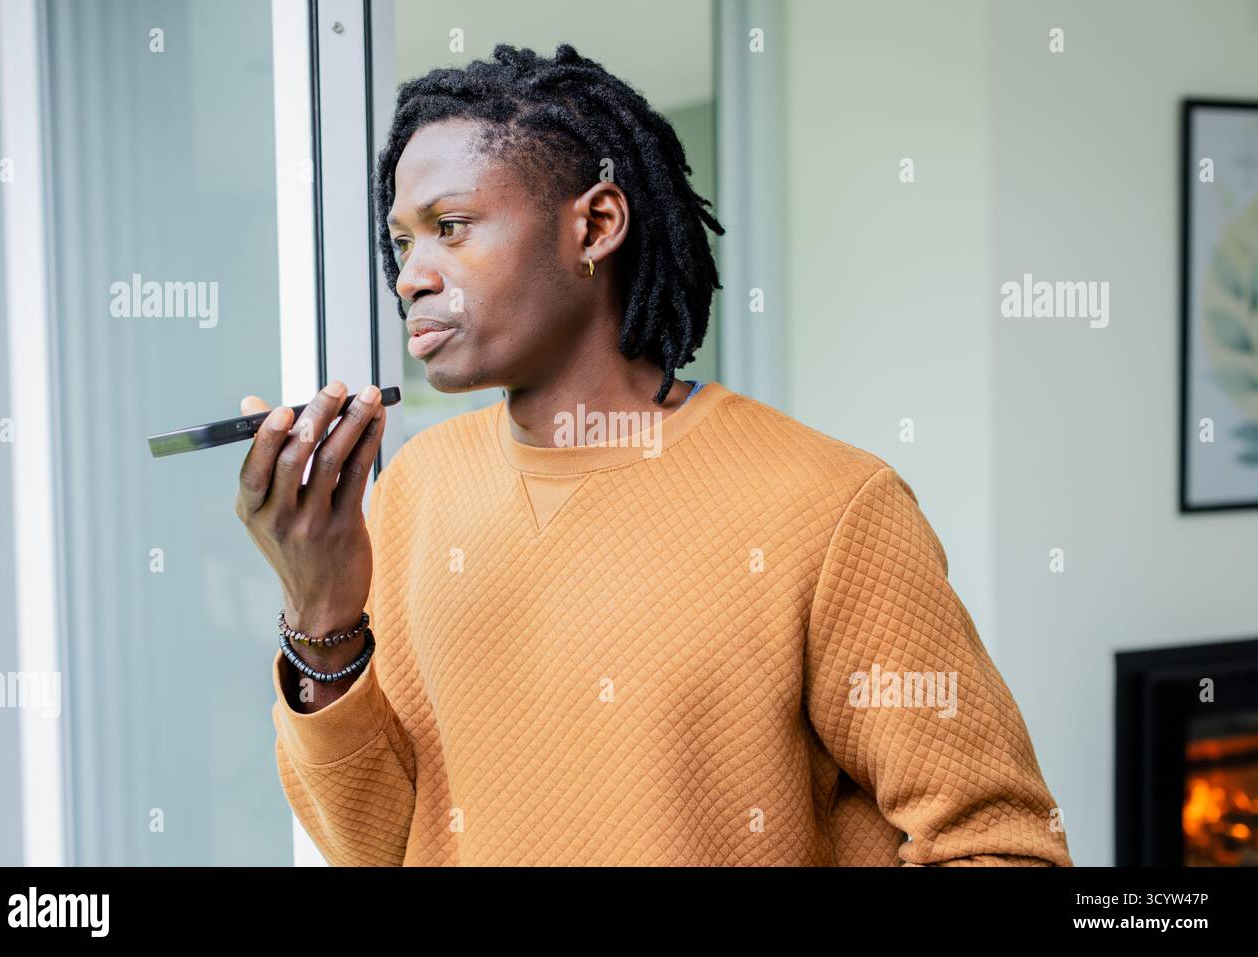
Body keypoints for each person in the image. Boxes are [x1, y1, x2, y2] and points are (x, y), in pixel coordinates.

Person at [235, 43, 1072, 867]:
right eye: (404, 241)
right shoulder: (420, 486)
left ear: (594, 225)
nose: (411, 275)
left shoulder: (830, 506)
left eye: (450, 227)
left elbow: (1002, 846)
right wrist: (323, 615)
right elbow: (386, 847)